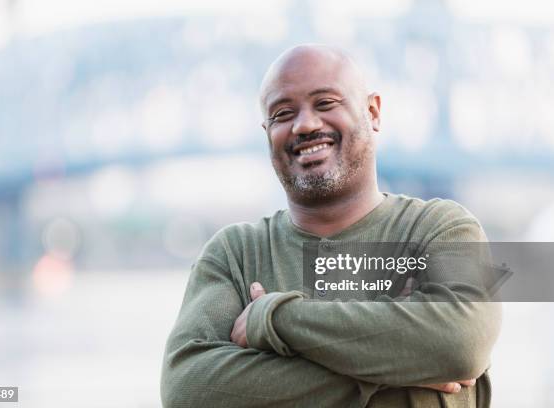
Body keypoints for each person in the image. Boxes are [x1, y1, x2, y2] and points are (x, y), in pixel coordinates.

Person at [160, 44, 501, 408]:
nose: (305, 124)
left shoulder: (442, 229)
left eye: (325, 104)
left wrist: (272, 319)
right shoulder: (234, 254)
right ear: (267, 133)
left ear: (373, 112)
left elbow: (460, 342)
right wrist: (399, 371)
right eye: (283, 113)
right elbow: (189, 390)